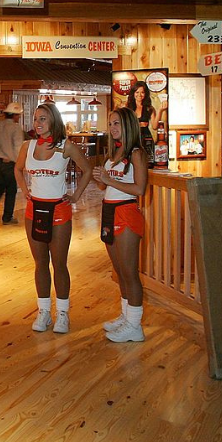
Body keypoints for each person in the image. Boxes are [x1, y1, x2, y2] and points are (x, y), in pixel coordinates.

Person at [15, 102, 93, 334]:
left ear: (54, 121)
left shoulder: (65, 146)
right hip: (34, 211)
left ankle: (62, 313)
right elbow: (18, 169)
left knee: (59, 263)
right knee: (40, 264)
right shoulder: (27, 146)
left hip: (59, 210)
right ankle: (44, 311)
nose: (37, 124)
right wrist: (25, 190)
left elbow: (87, 169)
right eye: (36, 119)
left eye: (43, 119)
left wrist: (76, 195)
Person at [91, 108, 149, 343]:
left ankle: (135, 325)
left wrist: (108, 179)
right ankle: (127, 317)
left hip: (126, 212)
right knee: (119, 272)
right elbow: (106, 188)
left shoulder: (136, 153)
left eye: (117, 123)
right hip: (109, 212)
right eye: (111, 123)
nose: (113, 128)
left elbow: (140, 189)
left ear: (128, 125)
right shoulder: (114, 153)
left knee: (129, 272)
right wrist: (101, 179)